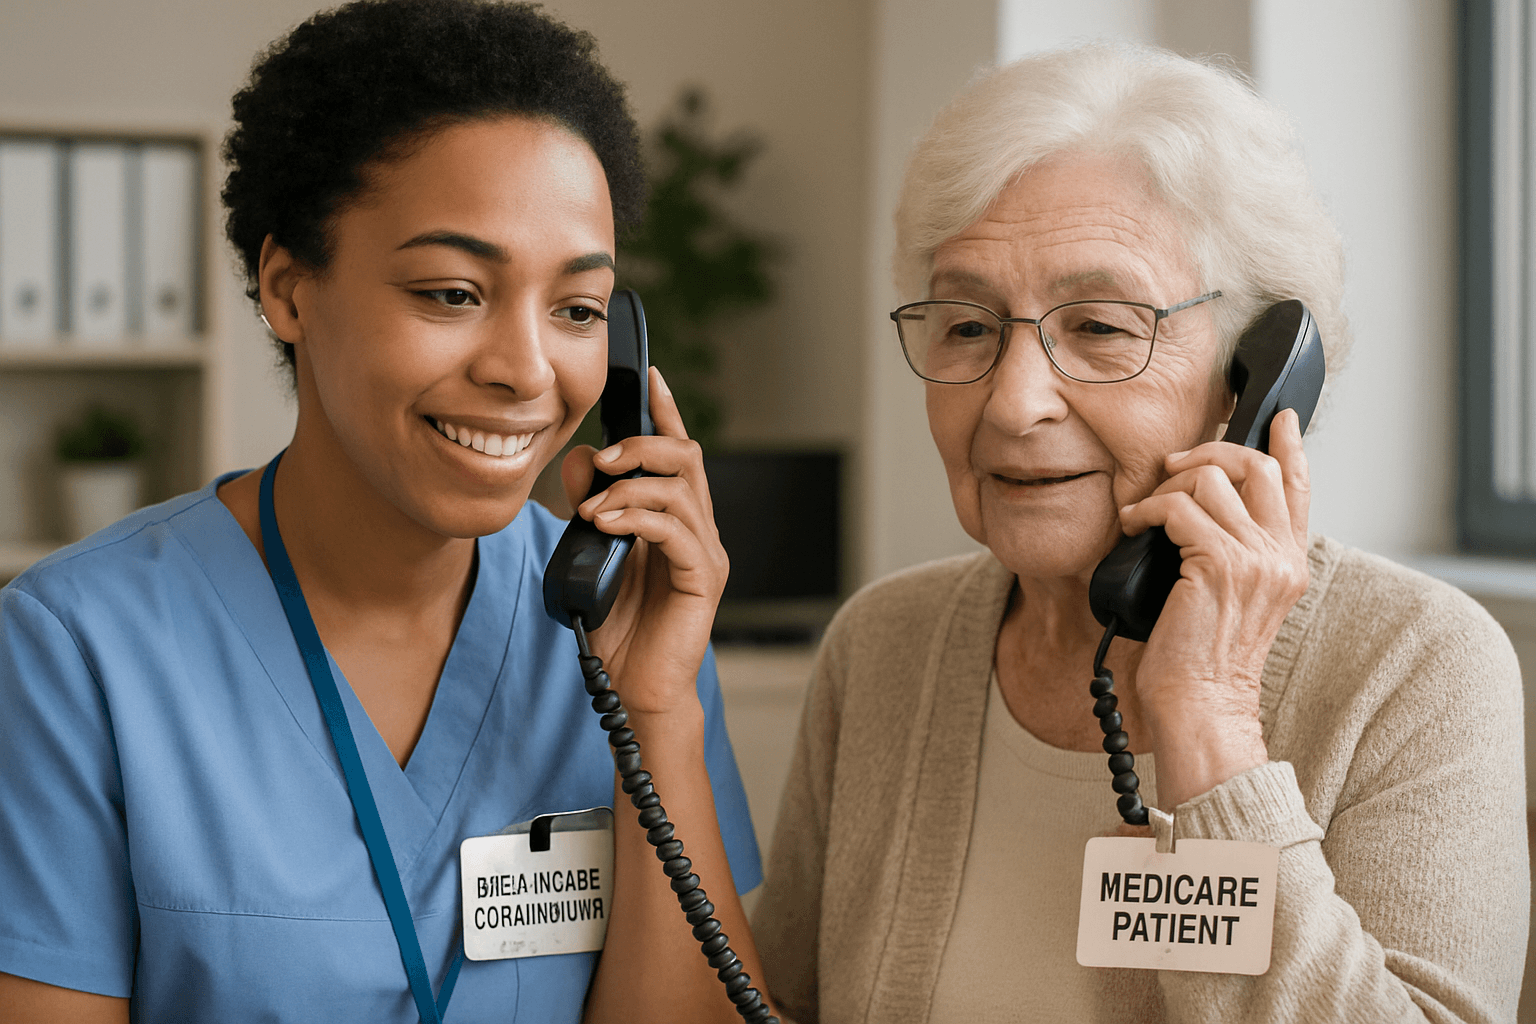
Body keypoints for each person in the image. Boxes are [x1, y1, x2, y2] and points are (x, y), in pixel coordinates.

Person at [0, 2, 773, 1021]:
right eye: (453, 292)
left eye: (577, 308)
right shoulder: (78, 651)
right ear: (288, 289)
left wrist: (660, 714)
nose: (526, 371)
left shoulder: (621, 625)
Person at [752, 42, 1529, 1023]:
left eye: (1102, 328)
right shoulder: (884, 645)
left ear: (1254, 383)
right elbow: (774, 998)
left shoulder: (1414, 665)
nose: (1012, 402)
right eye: (966, 326)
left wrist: (1209, 719)